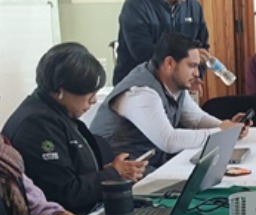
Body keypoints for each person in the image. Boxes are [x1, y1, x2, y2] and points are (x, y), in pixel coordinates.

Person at [2, 43, 146, 215]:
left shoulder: (58, 113)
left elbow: (72, 170)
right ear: (61, 90)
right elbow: (65, 193)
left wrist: (108, 170)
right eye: (88, 93)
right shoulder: (36, 124)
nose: (93, 101)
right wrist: (113, 173)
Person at [91, 33, 247, 170]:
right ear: (169, 63)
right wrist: (222, 133)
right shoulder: (141, 92)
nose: (197, 73)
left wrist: (225, 126)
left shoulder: (170, 82)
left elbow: (196, 119)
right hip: (123, 179)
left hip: (149, 167)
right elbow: (169, 140)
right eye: (192, 66)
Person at [113, 0, 209, 86]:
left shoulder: (194, 7)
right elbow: (143, 53)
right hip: (137, 87)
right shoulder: (136, 6)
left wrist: (196, 76)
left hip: (177, 88)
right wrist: (186, 58)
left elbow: (202, 49)